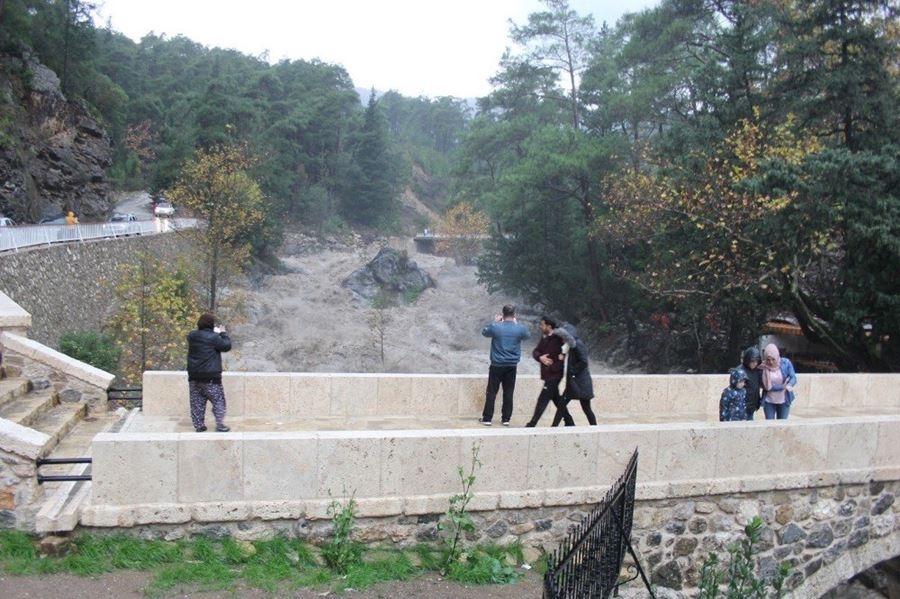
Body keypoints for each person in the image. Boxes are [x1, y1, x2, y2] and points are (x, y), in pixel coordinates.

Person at [479, 304, 530, 426]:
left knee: (491, 392)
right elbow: (528, 335)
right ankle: (506, 419)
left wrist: (494, 321)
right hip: (512, 366)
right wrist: (516, 324)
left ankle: (487, 418)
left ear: (502, 315)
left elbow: (484, 332)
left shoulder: (496, 327)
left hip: (497, 365)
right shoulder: (520, 328)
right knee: (508, 392)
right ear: (514, 315)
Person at [187, 312, 232, 432]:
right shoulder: (214, 337)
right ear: (211, 325)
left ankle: (199, 426)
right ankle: (220, 425)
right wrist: (222, 333)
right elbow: (226, 346)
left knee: (197, 402)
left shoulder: (192, 336)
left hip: (194, 376)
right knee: (218, 400)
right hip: (211, 377)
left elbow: (201, 339)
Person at [525, 316, 574, 427]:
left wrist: (563, 355)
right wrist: (540, 357)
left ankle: (532, 423)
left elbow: (571, 343)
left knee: (543, 398)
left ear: (549, 326)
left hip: (555, 373)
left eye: (542, 325)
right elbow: (536, 351)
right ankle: (569, 421)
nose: (540, 327)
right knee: (556, 398)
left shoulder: (559, 338)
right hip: (547, 373)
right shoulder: (545, 338)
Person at [551, 324, 597, 426]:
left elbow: (584, 361)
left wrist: (572, 371)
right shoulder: (572, 345)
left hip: (580, 383)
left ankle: (595, 428)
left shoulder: (578, 345)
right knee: (563, 405)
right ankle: (554, 427)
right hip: (576, 383)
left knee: (586, 408)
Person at [761, 343, 797, 420]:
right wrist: (782, 387)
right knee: (769, 423)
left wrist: (789, 385)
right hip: (769, 400)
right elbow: (766, 386)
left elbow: (793, 377)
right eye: (768, 359)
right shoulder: (763, 367)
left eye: (773, 359)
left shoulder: (786, 363)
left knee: (782, 424)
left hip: (784, 399)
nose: (770, 362)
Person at [740, 346, 763, 420]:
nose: (755, 364)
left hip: (752, 405)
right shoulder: (740, 371)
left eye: (756, 361)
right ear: (747, 360)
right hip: (742, 406)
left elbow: (759, 385)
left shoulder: (757, 371)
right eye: (752, 361)